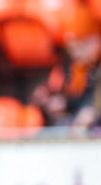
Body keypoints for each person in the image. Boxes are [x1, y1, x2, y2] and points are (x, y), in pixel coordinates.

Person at [30, 4, 101, 132]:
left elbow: (93, 105)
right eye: (72, 47)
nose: (76, 52)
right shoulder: (75, 67)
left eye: (82, 45)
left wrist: (90, 112)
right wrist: (56, 100)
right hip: (74, 123)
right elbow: (70, 95)